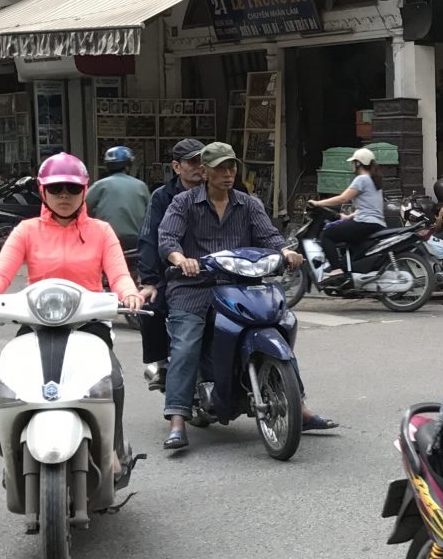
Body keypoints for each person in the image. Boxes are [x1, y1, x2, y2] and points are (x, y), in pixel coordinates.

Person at [0, 154, 143, 466]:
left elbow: (118, 274)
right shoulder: (26, 230)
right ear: (42, 190)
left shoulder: (101, 231)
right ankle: (7, 445)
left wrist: (129, 294)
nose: (63, 195)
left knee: (110, 380)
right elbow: (1, 272)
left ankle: (111, 448)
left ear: (84, 191)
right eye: (56, 188)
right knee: (0, 378)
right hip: (36, 320)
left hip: (89, 320)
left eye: (72, 189)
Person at [156, 141, 334, 449]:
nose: (228, 174)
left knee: (279, 322)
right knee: (186, 341)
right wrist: (180, 259)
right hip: (194, 287)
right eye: (220, 168)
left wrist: (285, 252)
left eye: (232, 167)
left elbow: (270, 236)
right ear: (204, 171)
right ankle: (177, 418)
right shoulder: (183, 203)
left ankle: (299, 407)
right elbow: (167, 238)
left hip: (241, 284)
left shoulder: (248, 204)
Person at [136, 138, 206, 389]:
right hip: (172, 271)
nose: (200, 167)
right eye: (193, 162)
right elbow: (150, 239)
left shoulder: (219, 191)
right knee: (151, 304)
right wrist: (150, 281)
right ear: (177, 167)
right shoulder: (162, 197)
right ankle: (162, 365)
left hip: (212, 270)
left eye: (203, 161)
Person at [314, 146, 386, 277]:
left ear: (358, 163)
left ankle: (336, 270)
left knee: (327, 235)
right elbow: (370, 207)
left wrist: (318, 203)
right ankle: (350, 275)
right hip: (376, 224)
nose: (353, 165)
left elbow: (343, 198)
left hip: (365, 223)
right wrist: (349, 217)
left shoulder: (362, 179)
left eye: (354, 162)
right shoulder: (375, 182)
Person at [84, 145, 150, 257]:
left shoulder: (99, 186)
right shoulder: (141, 186)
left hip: (106, 239)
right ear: (128, 167)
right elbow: (150, 213)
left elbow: (83, 209)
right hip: (136, 243)